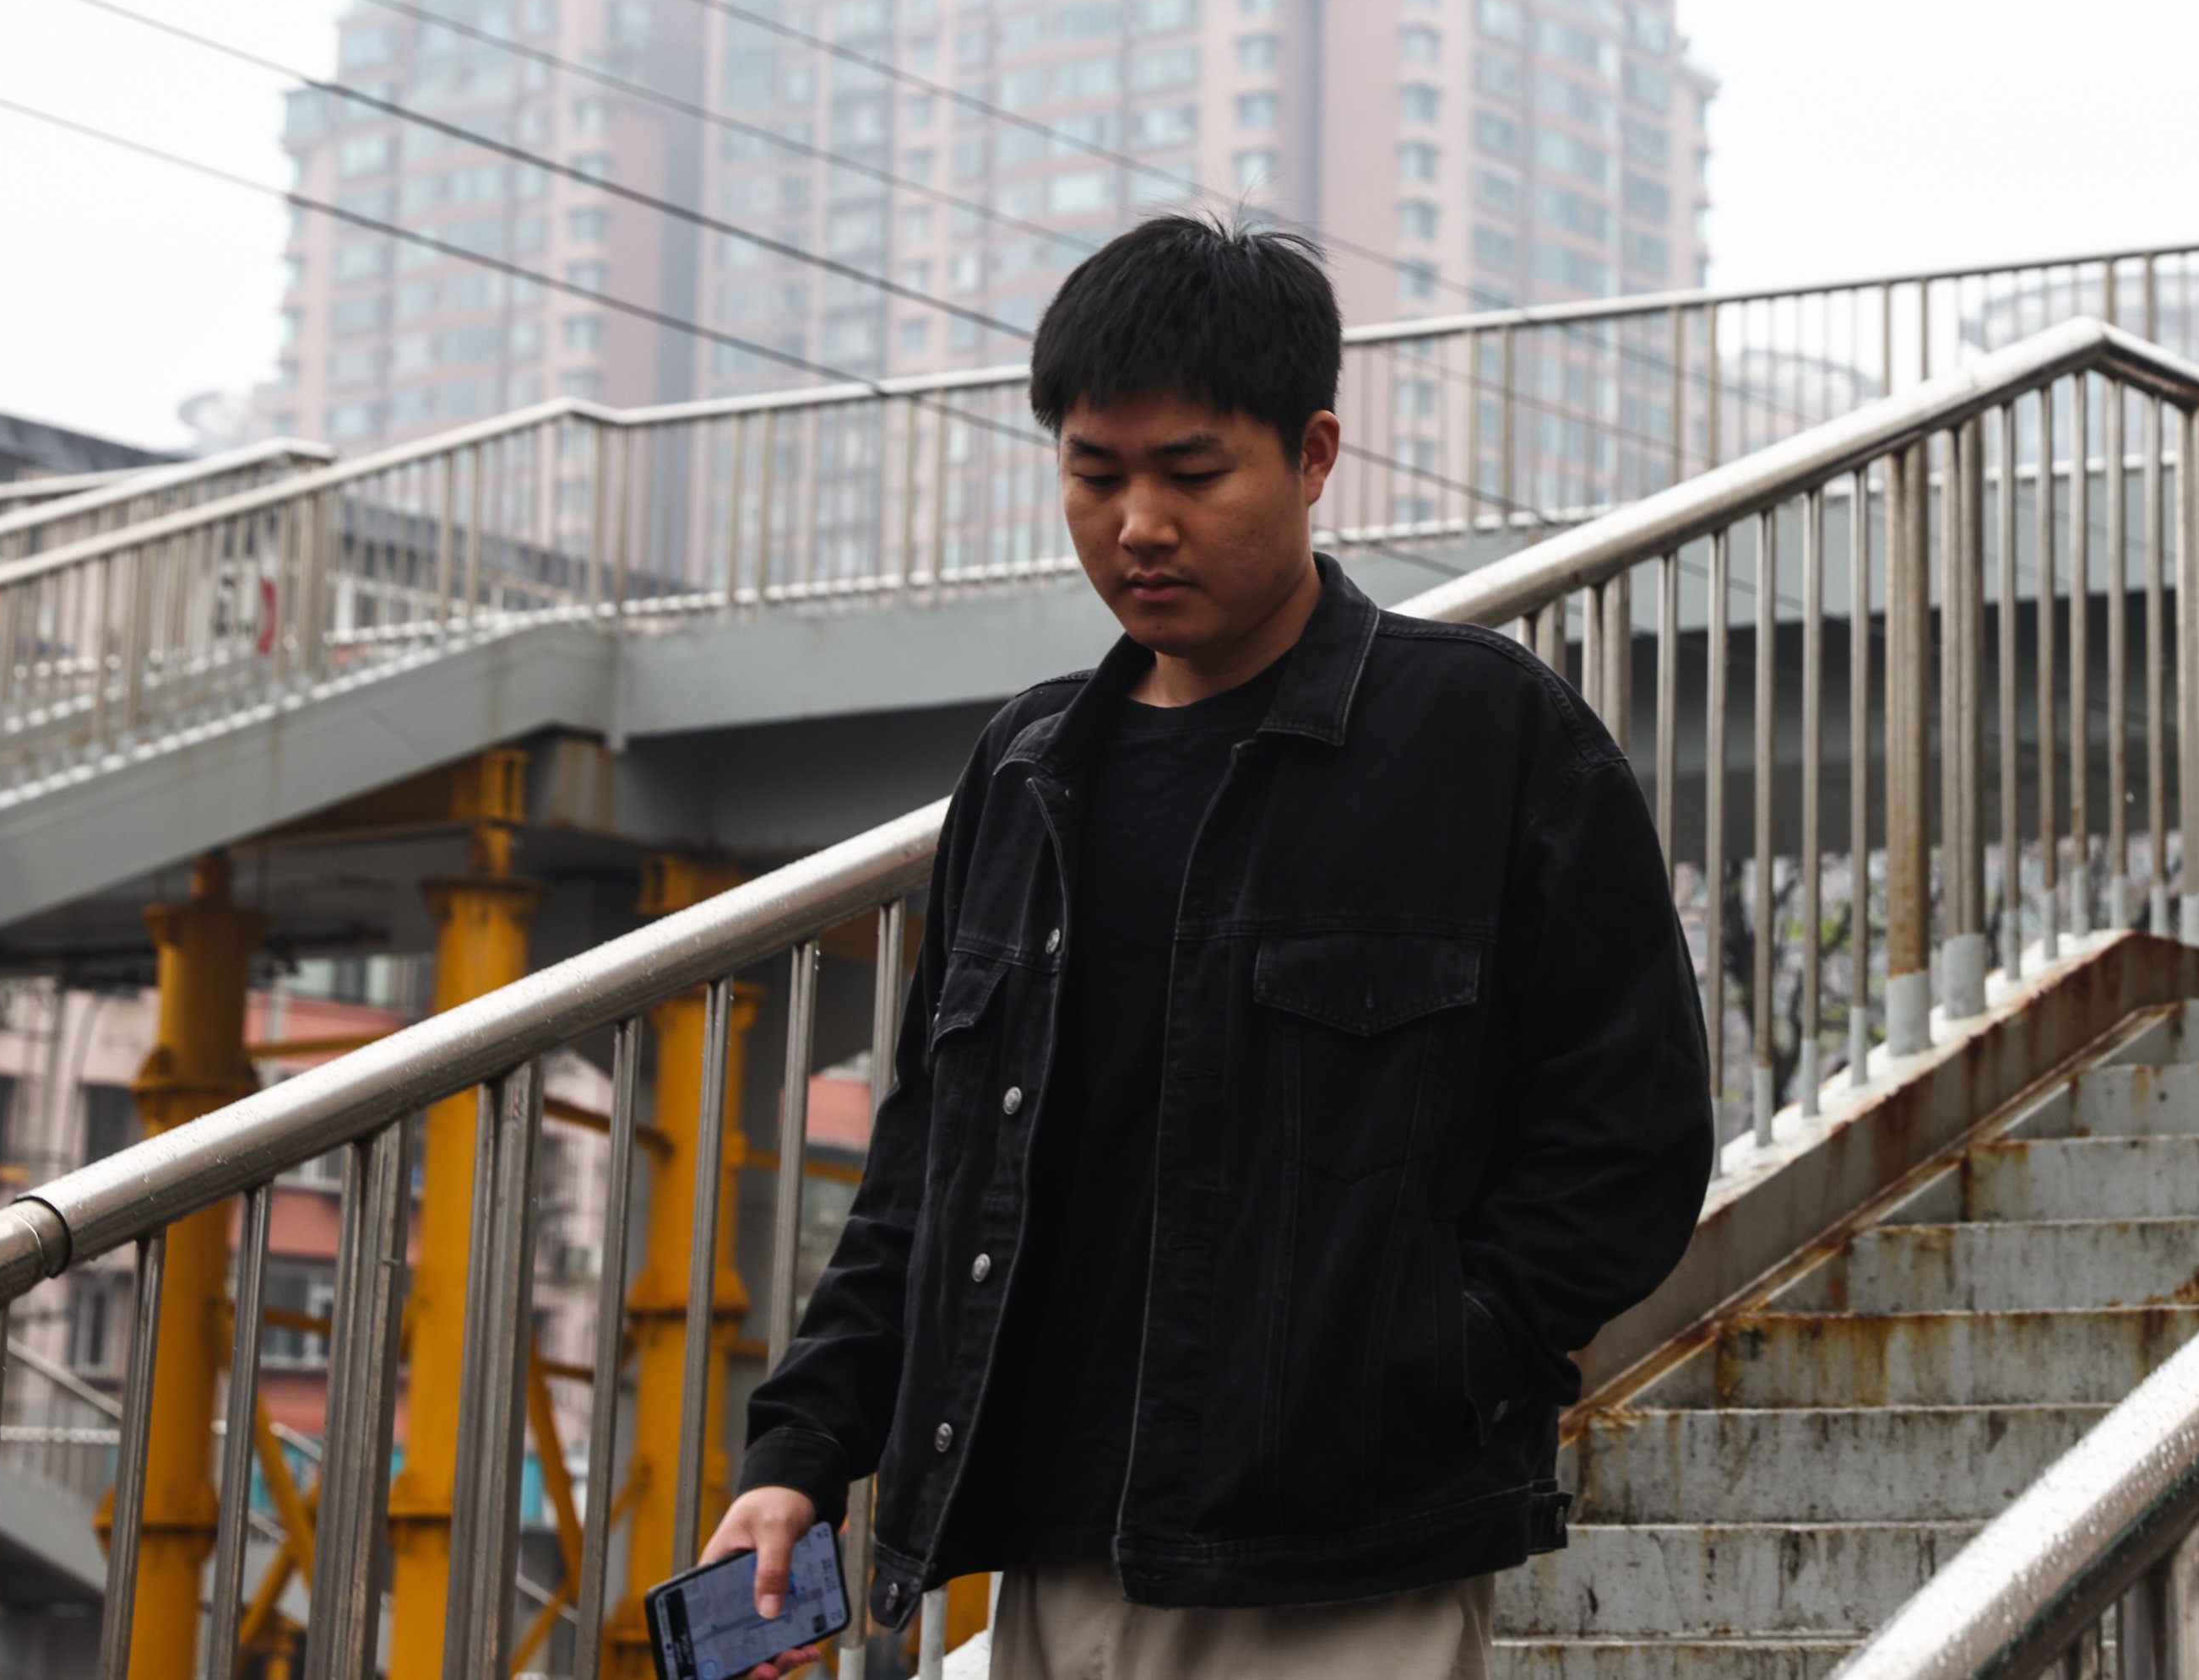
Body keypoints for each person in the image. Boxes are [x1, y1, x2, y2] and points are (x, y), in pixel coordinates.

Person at [701, 215, 1716, 1679]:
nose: (1138, 525)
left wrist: (1427, 1353)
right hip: (1046, 1556)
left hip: (1338, 1561)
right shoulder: (1029, 769)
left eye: (1190, 472)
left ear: (1312, 455)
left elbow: (1631, 1138)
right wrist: (804, 1449)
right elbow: (925, 1171)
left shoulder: (1482, 737)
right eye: (1093, 474)